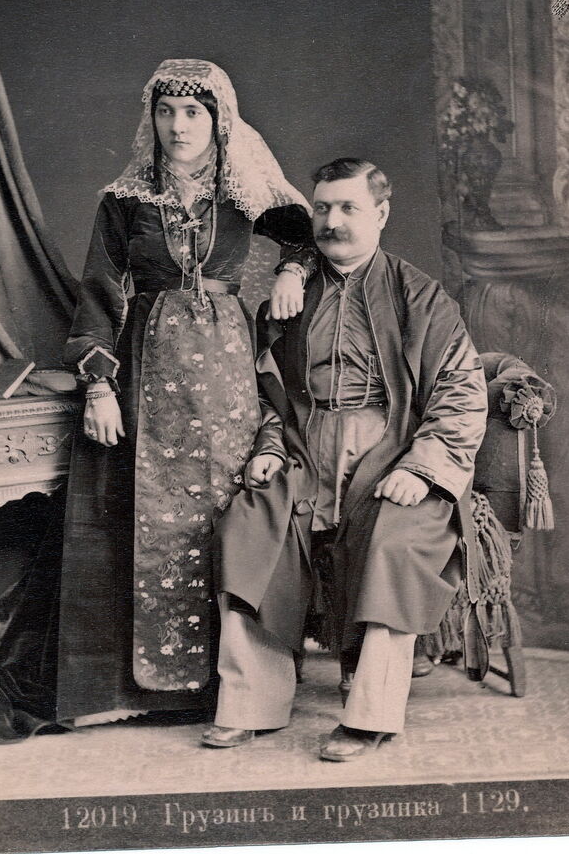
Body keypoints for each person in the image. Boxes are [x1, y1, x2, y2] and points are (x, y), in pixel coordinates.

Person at [0, 59, 316, 743]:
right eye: (166, 112)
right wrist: (100, 386)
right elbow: (98, 296)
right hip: (149, 372)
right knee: (139, 518)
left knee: (221, 517)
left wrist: (290, 268)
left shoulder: (246, 191)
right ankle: (134, 690)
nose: (178, 126)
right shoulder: (125, 201)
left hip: (226, 378)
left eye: (192, 113)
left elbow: (306, 231)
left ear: (218, 120)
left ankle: (229, 687)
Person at [201, 157, 489, 761]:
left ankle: (370, 714)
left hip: (395, 446)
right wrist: (269, 448)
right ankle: (252, 701)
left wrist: (420, 468)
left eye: (348, 208)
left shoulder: (420, 296)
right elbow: (265, 393)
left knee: (394, 544)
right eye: (323, 208)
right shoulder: (289, 299)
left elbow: (461, 391)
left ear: (381, 214)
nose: (332, 222)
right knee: (248, 526)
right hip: (305, 447)